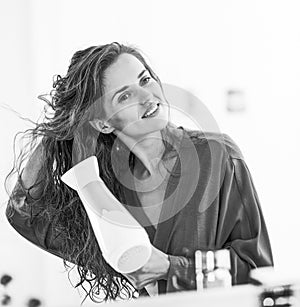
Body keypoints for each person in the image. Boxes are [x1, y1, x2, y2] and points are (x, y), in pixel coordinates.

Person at [5, 42, 273, 302]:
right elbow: (24, 212)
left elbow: (258, 270)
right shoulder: (109, 192)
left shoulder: (217, 156)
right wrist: (56, 129)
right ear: (104, 123)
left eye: (145, 80)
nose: (147, 97)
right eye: (125, 96)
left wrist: (170, 268)